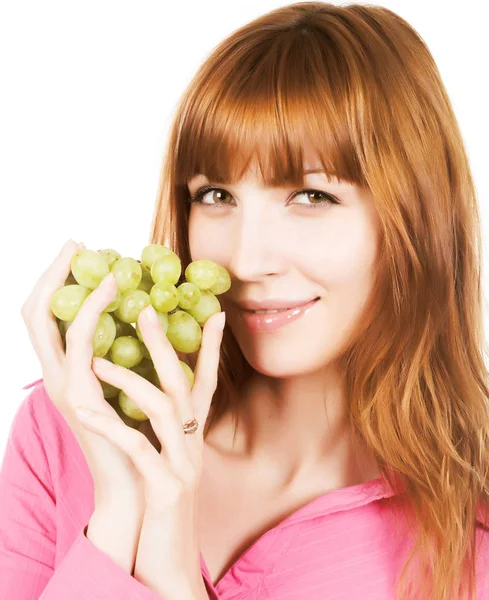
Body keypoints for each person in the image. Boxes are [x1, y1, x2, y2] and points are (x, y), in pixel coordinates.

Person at [2, 2, 489, 599]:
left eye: (311, 196)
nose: (247, 261)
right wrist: (118, 512)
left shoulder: (468, 533)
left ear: (415, 216)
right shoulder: (72, 429)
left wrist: (172, 576)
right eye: (215, 195)